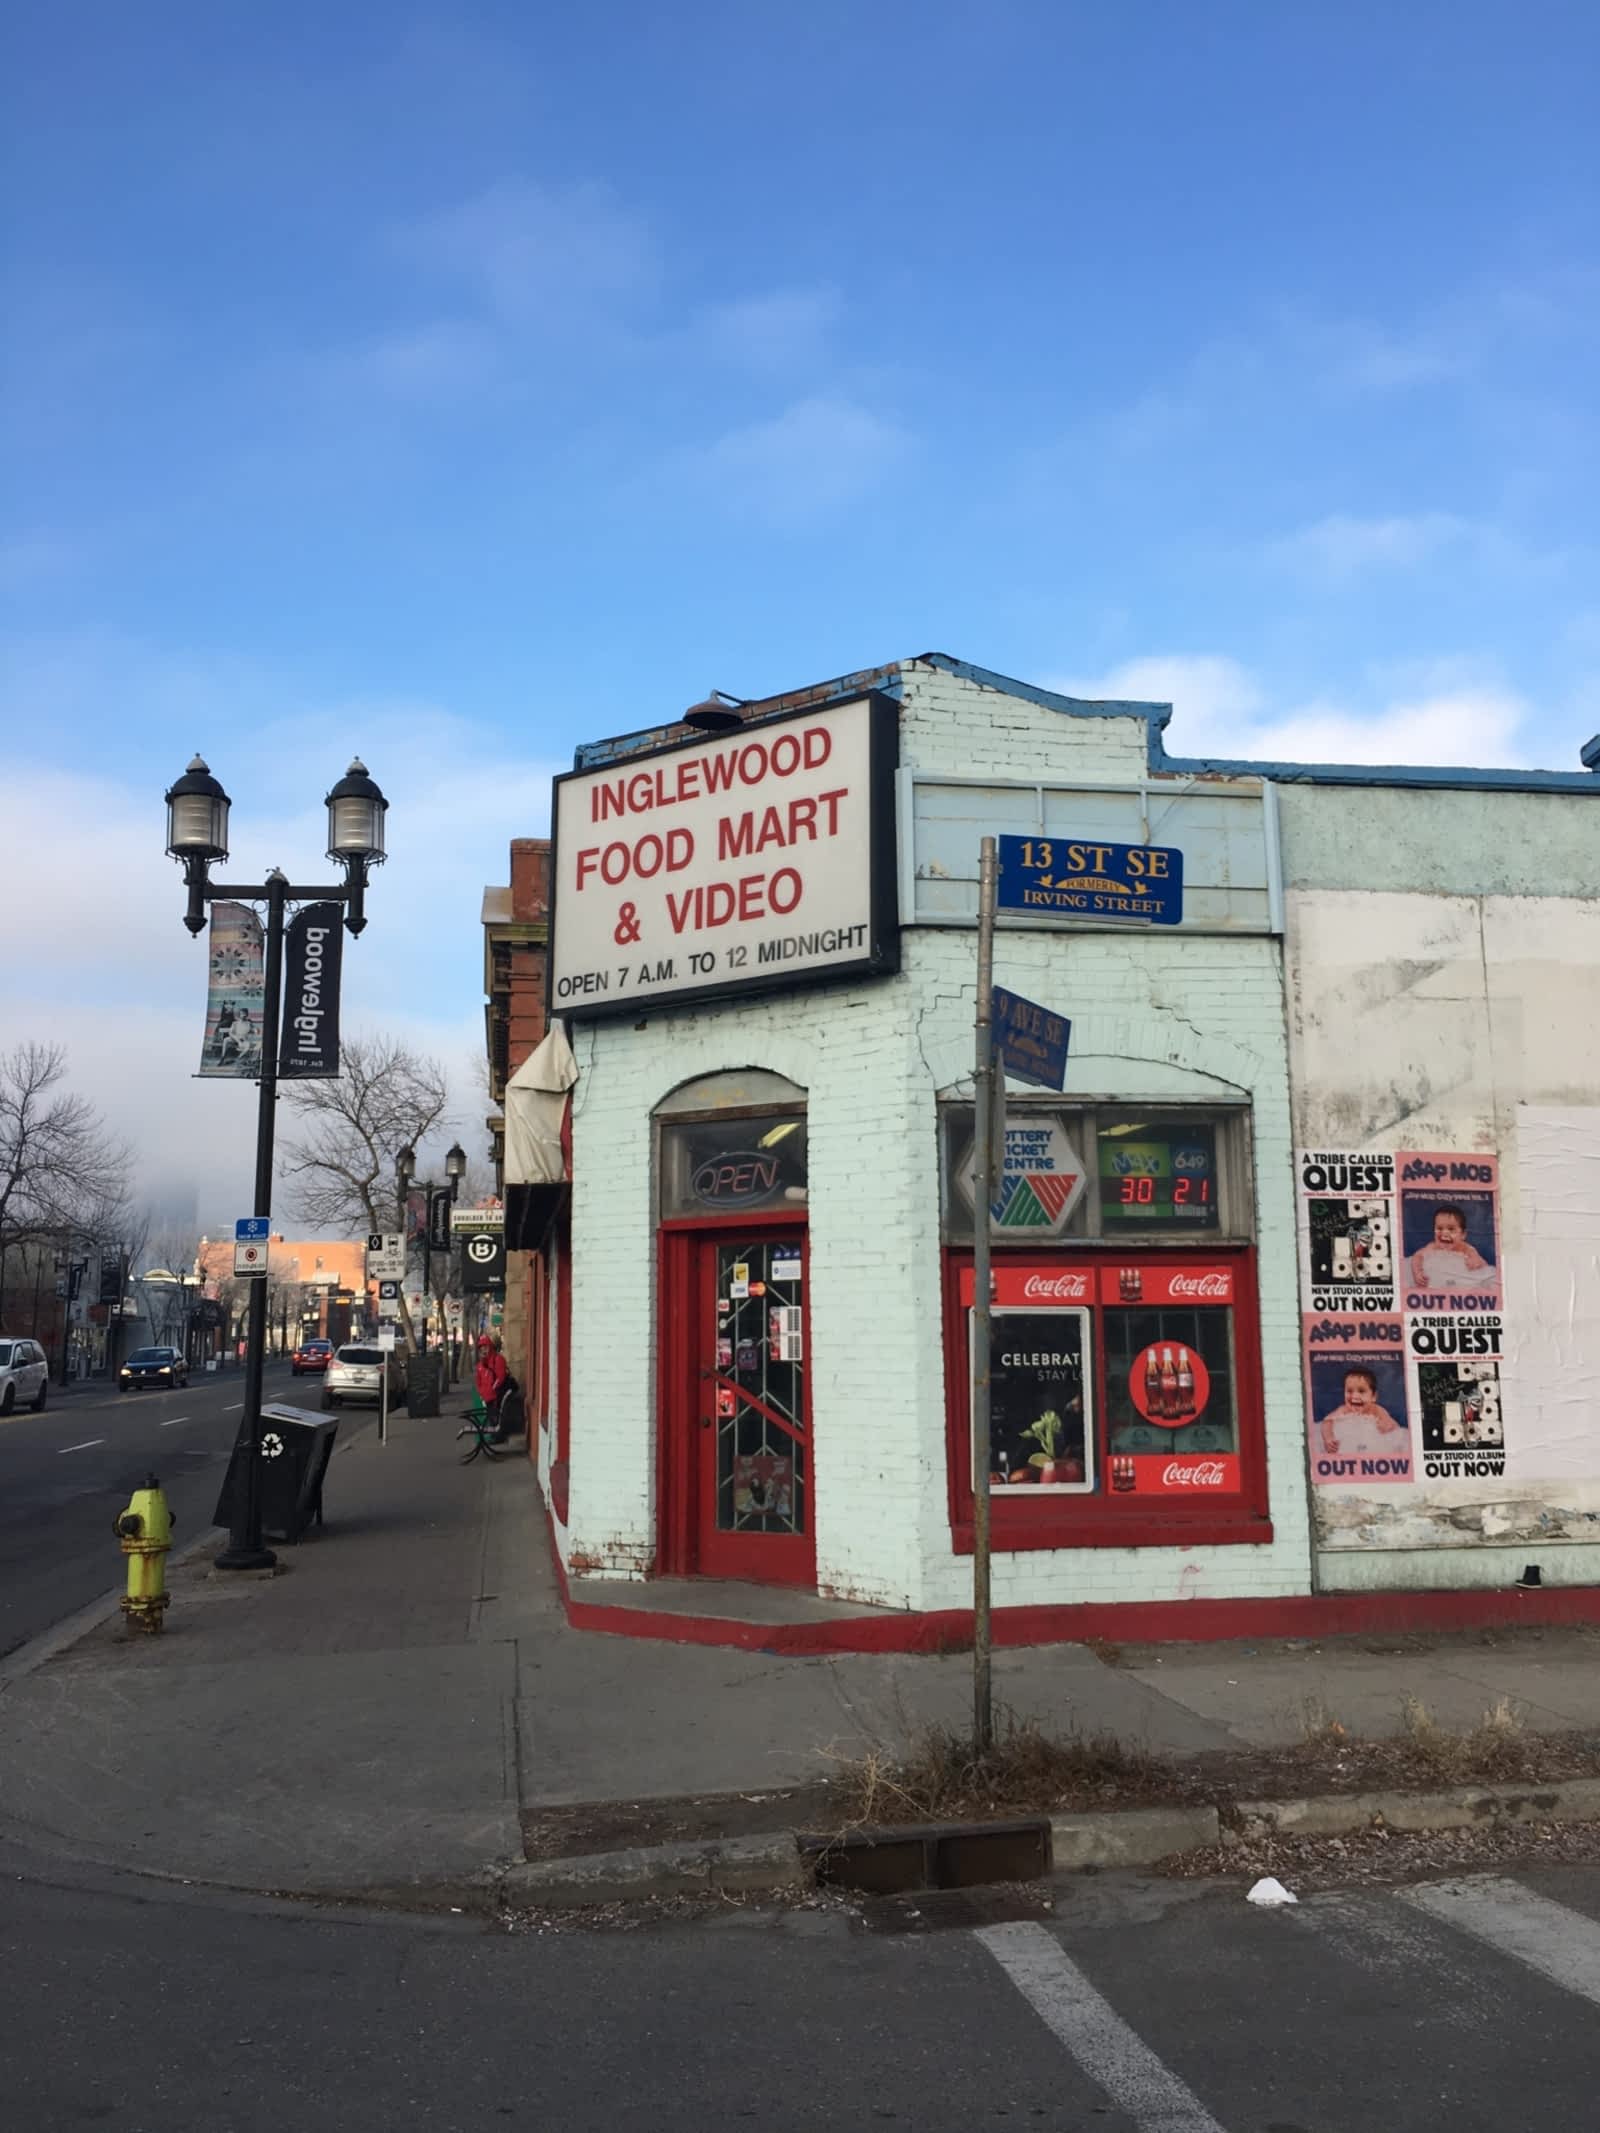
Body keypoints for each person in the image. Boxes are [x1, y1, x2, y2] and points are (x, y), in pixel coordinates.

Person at [1320, 1367, 1405, 1458]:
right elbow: (1327, 1421)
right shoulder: (1344, 1410)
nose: (1354, 1396)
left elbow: (1395, 1428)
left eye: (1361, 1391)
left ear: (1373, 1396)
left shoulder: (1377, 1410)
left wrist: (1386, 1425)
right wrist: (1328, 1438)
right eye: (1349, 1391)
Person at [1409, 1204, 1494, 1293]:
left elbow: (1483, 1265)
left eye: (1451, 1229)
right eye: (1440, 1228)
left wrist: (1475, 1261)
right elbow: (1417, 1256)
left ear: (1463, 1234)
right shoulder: (1433, 1247)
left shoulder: (1466, 1248)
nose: (1445, 1233)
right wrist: (1417, 1272)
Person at [475, 1334, 508, 1412]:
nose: (484, 1351)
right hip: (485, 1397)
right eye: (481, 1349)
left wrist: (491, 1390)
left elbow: (500, 1377)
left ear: (490, 1347)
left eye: (485, 1348)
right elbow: (478, 1381)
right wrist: (482, 1393)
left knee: (494, 1416)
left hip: (495, 1397)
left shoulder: (498, 1359)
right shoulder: (480, 1365)